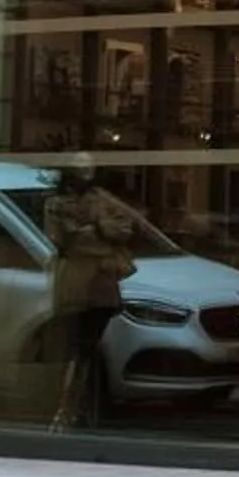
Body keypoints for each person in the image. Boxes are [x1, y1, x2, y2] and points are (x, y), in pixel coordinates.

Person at [43, 156, 141, 430]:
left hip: (100, 281)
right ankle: (67, 411)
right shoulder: (57, 203)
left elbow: (124, 229)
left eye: (88, 168)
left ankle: (75, 411)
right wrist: (96, 233)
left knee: (86, 348)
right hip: (75, 281)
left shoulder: (102, 200)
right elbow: (64, 238)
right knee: (75, 349)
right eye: (79, 169)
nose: (84, 174)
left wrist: (97, 227)